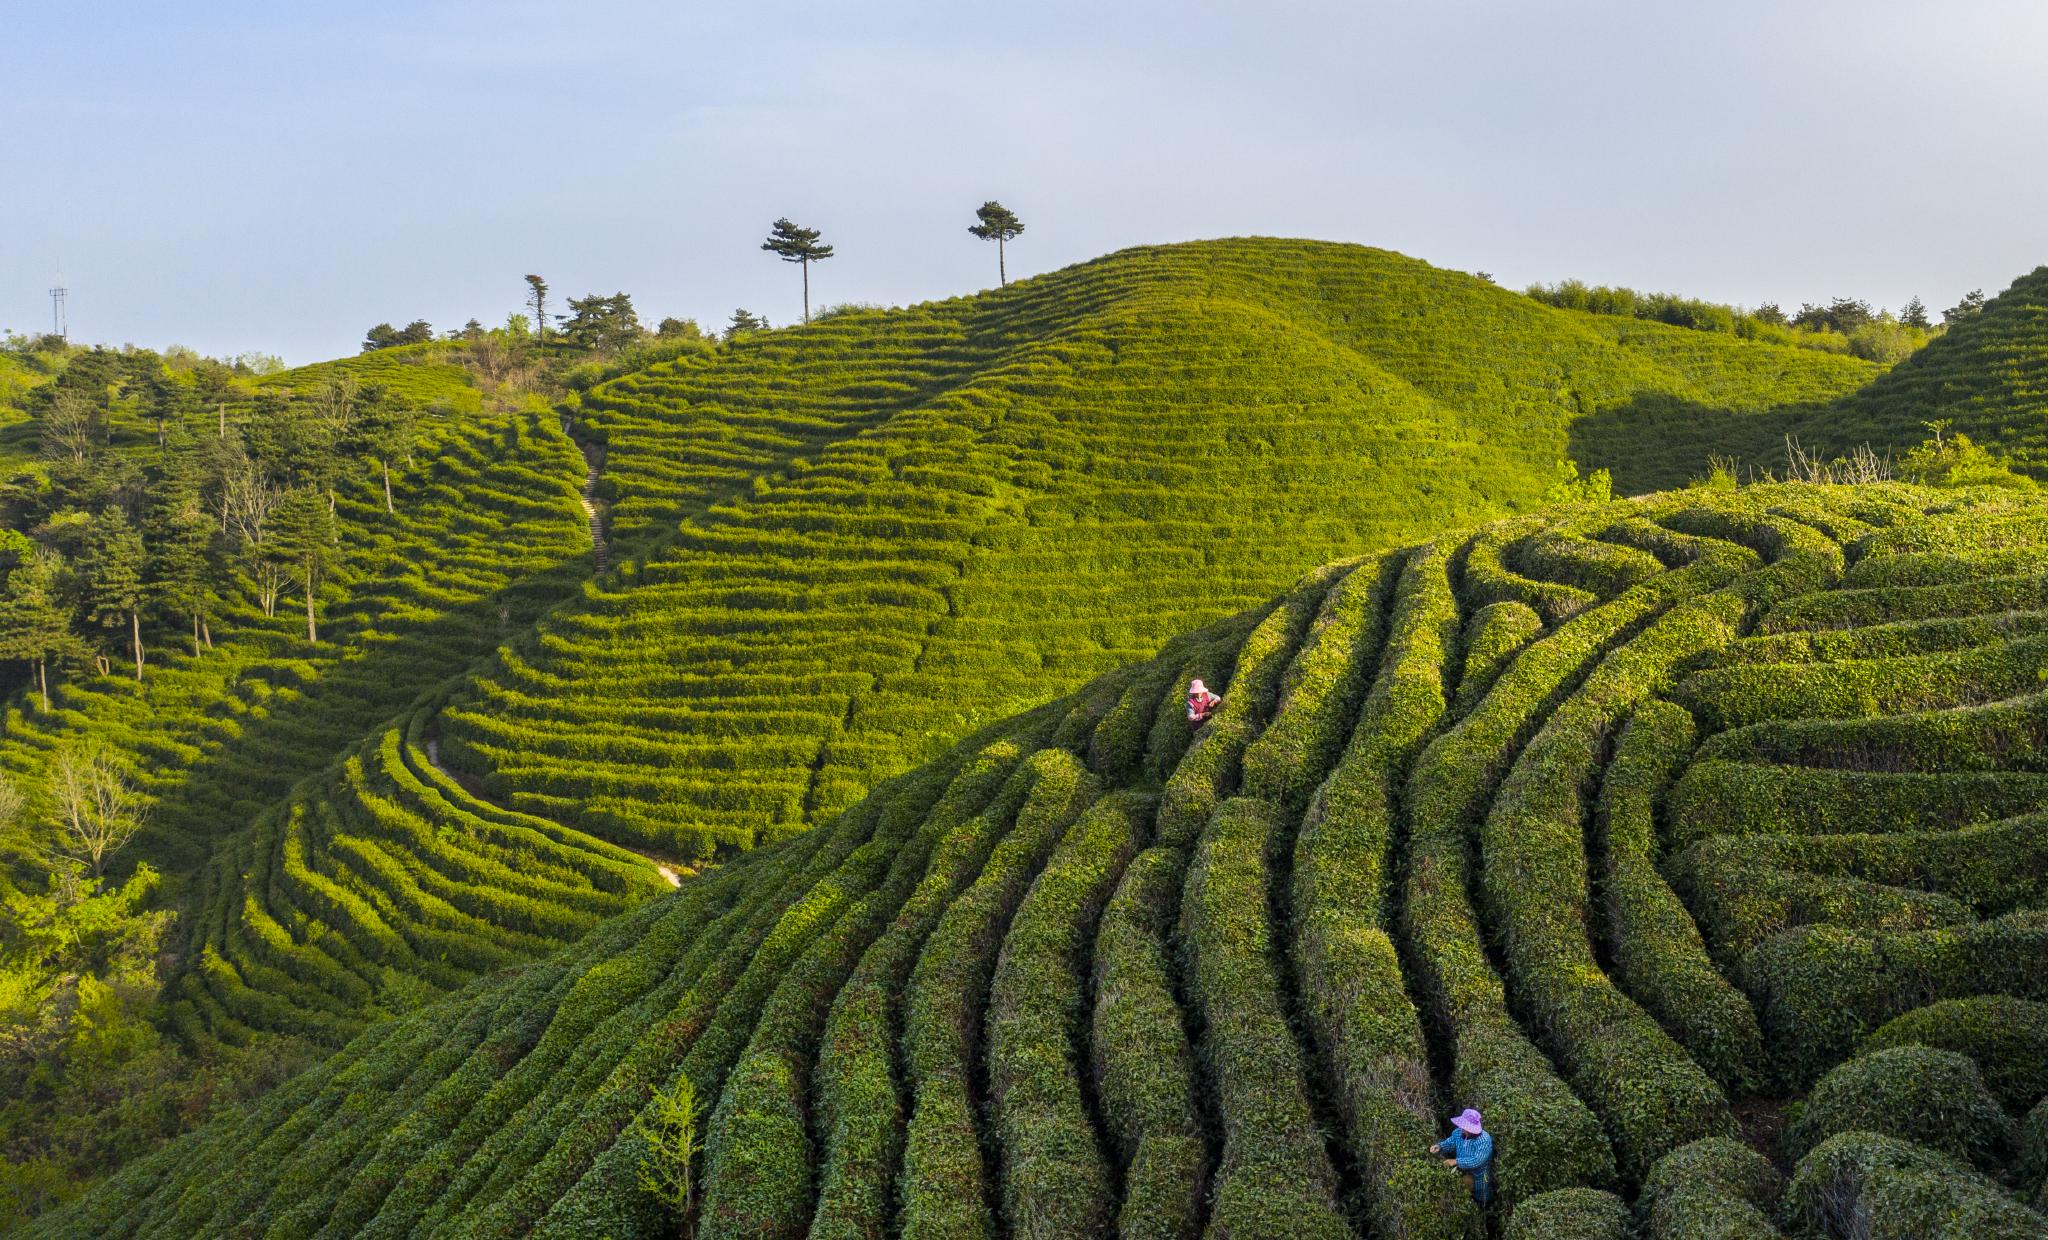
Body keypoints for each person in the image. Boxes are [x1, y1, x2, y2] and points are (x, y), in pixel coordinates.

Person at [1430, 1108, 1494, 1206]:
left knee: (1483, 1200)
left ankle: (1484, 1209)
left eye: (1465, 1127)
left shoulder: (1484, 1140)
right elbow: (1451, 1142)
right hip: (1463, 1171)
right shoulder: (1458, 1133)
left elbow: (1477, 1160)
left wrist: (1456, 1161)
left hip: (1480, 1177)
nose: (1463, 1129)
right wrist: (1440, 1146)